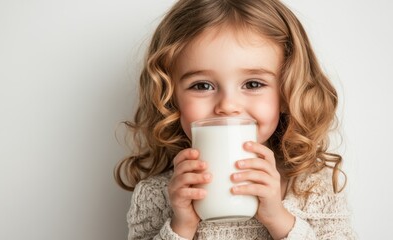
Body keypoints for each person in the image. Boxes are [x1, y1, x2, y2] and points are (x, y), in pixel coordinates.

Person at [115, 0, 356, 239]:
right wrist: (181, 226)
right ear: (170, 98)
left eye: (253, 84)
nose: (227, 106)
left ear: (286, 93)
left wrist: (279, 219)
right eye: (202, 85)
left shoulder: (313, 188)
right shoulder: (157, 195)